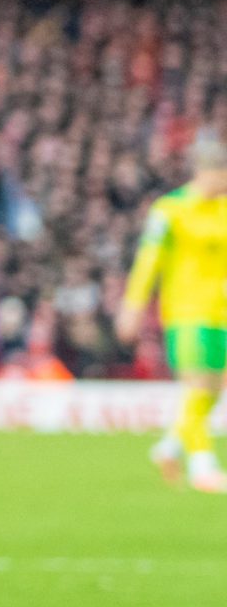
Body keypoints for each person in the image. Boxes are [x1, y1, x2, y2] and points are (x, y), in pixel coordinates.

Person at [118, 131, 227, 492]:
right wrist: (133, 306)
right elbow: (149, 261)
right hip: (186, 313)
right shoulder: (169, 210)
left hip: (221, 315)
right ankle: (202, 466)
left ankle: (169, 447)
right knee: (198, 384)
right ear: (204, 172)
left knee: (212, 389)